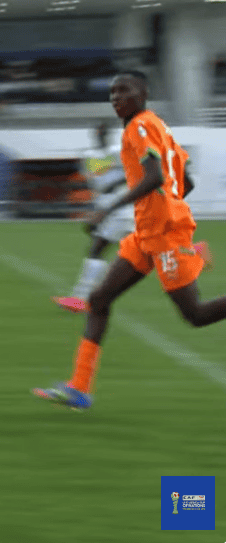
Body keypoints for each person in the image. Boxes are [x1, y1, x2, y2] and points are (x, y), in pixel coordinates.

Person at [33, 72, 222, 411]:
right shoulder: (158, 126)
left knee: (194, 315)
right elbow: (186, 180)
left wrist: (108, 209)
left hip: (162, 234)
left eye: (124, 90)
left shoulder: (139, 126)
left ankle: (188, 253)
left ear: (143, 93)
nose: (116, 97)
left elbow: (155, 176)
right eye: (112, 92)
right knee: (98, 299)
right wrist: (168, 208)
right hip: (148, 232)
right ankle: (79, 388)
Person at [51, 122, 134, 312]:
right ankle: (189, 254)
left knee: (98, 249)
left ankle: (81, 298)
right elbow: (97, 182)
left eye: (104, 133)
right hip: (111, 207)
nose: (101, 136)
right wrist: (96, 211)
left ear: (108, 135)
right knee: (148, 249)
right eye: (98, 133)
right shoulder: (90, 156)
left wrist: (101, 211)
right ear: (95, 135)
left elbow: (130, 175)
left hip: (120, 207)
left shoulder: (118, 152)